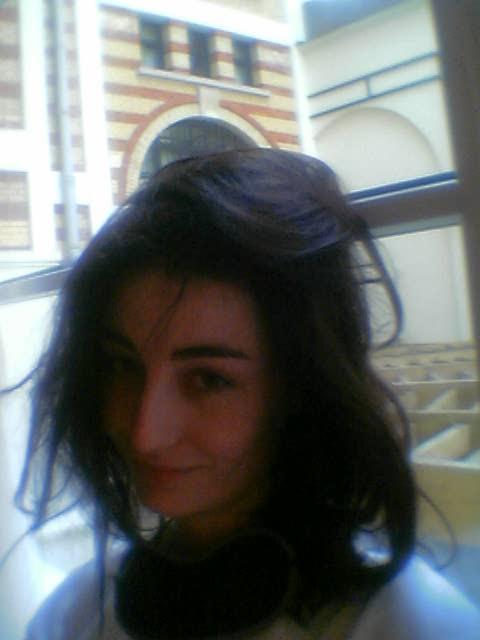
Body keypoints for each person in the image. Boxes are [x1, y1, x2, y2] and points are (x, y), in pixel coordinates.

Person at [17, 149, 480, 639]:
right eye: (122, 365)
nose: (145, 433)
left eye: (208, 380)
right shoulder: (71, 615)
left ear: (301, 391)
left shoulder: (417, 625)